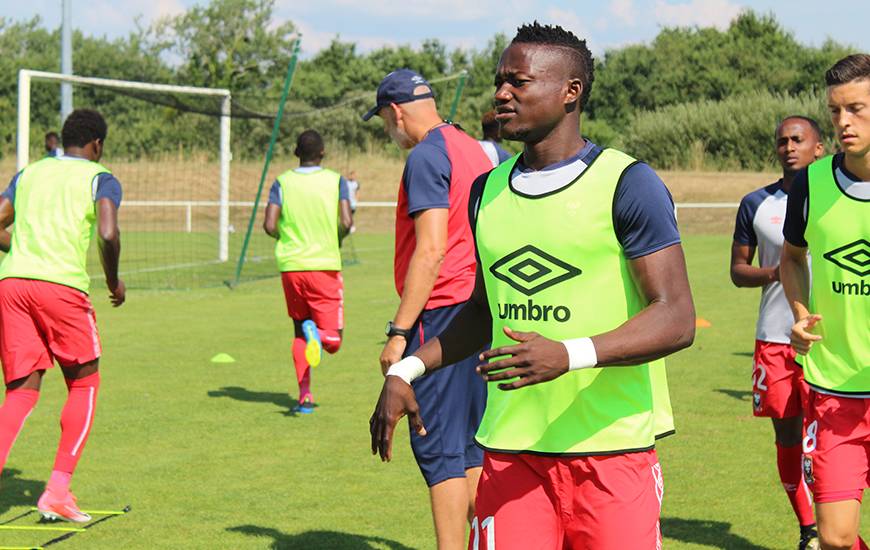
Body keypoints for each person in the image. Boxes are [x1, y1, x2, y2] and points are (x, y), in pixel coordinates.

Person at [370, 22, 694, 549]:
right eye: (500, 80)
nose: (501, 93)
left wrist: (570, 354)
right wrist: (407, 368)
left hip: (610, 450)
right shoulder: (487, 191)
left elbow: (676, 317)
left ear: (571, 91)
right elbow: (482, 312)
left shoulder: (627, 182)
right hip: (510, 451)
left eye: (518, 82)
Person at [362, 68, 492, 549]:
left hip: (439, 318)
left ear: (395, 112)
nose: (386, 131)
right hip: (479, 316)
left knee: (440, 453)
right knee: (471, 450)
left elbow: (431, 249)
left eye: (381, 121)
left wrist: (400, 331)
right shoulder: (472, 147)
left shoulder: (426, 157)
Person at [0, 109, 125, 523]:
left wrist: (19, 254)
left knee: (21, 391)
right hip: (61, 288)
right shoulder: (99, 177)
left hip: (12, 284)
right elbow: (108, 232)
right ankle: (56, 491)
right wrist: (114, 281)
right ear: (97, 145)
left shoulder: (30, 173)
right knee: (85, 381)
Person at [781, 54, 870, 550]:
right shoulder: (811, 185)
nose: (842, 123)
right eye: (835, 111)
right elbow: (792, 259)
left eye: (856, 109)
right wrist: (798, 314)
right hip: (833, 390)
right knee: (836, 540)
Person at [731, 116, 824, 550]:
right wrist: (780, 272)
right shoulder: (755, 203)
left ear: (818, 148)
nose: (788, 147)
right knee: (787, 437)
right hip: (774, 337)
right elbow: (737, 271)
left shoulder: (836, 197)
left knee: (831, 438)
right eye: (782, 141)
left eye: (798, 140)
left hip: (830, 339)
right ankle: (809, 530)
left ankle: (835, 521)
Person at [263, 129, 352, 414]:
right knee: (333, 340)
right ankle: (319, 335)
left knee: (299, 331)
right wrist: (334, 237)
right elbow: (346, 221)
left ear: (296, 154)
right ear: (323, 153)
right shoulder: (336, 180)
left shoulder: (282, 182)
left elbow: (269, 225)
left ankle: (304, 398)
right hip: (323, 264)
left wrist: (286, 239)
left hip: (291, 267)